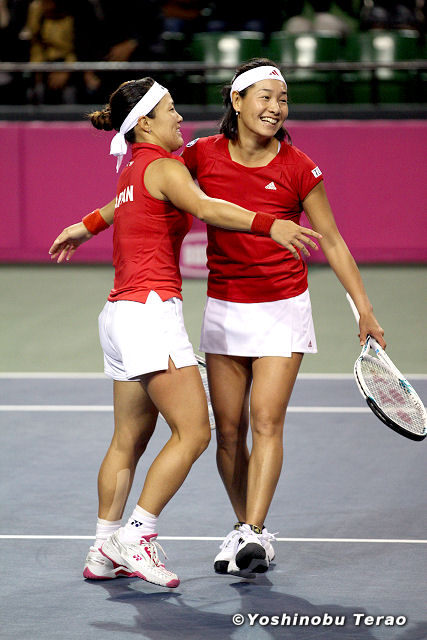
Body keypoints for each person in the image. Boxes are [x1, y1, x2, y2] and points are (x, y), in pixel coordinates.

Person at [50, 59, 385, 578]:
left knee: (264, 422)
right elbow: (162, 194)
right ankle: (192, 531)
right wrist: (89, 223)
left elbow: (334, 241)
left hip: (280, 306)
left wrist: (364, 307)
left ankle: (250, 530)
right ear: (237, 101)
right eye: (265, 97)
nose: (276, 107)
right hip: (220, 308)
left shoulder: (299, 167)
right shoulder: (198, 154)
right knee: (223, 433)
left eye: (283, 99)